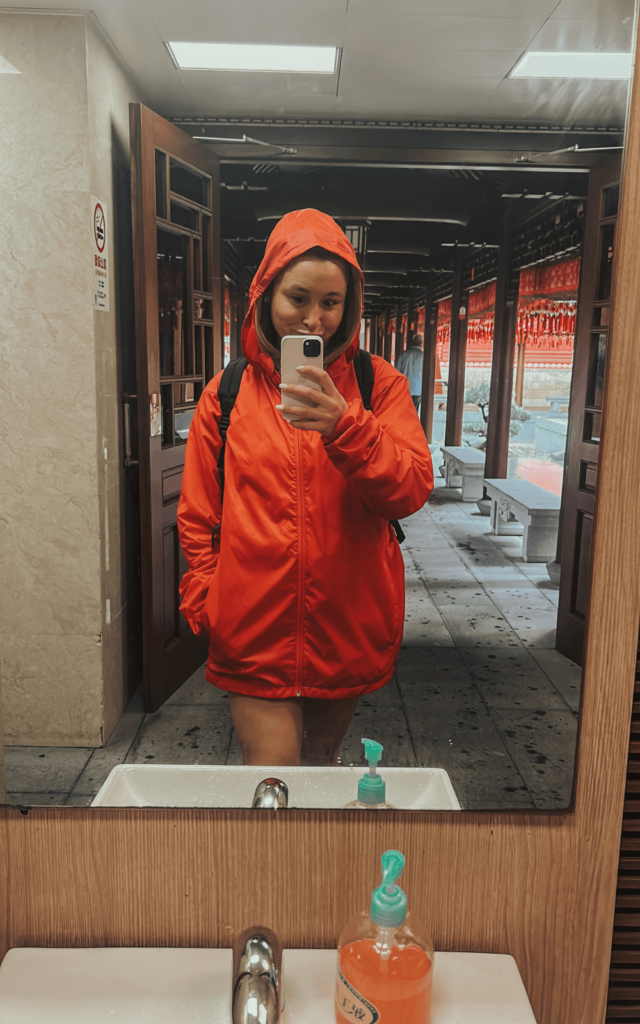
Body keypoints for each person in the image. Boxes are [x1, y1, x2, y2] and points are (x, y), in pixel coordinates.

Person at [177, 209, 433, 767]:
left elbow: (409, 490)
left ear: (349, 307)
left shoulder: (378, 385)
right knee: (273, 782)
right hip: (249, 627)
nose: (314, 320)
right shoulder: (225, 394)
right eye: (298, 298)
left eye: (330, 302)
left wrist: (346, 427)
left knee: (320, 772)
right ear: (266, 295)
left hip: (346, 624)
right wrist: (207, 600)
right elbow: (198, 514)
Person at [395, 334, 424, 411]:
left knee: (404, 411)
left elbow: (397, 371)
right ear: (421, 344)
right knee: (414, 412)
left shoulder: (404, 354)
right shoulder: (422, 356)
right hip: (417, 389)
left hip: (405, 388)